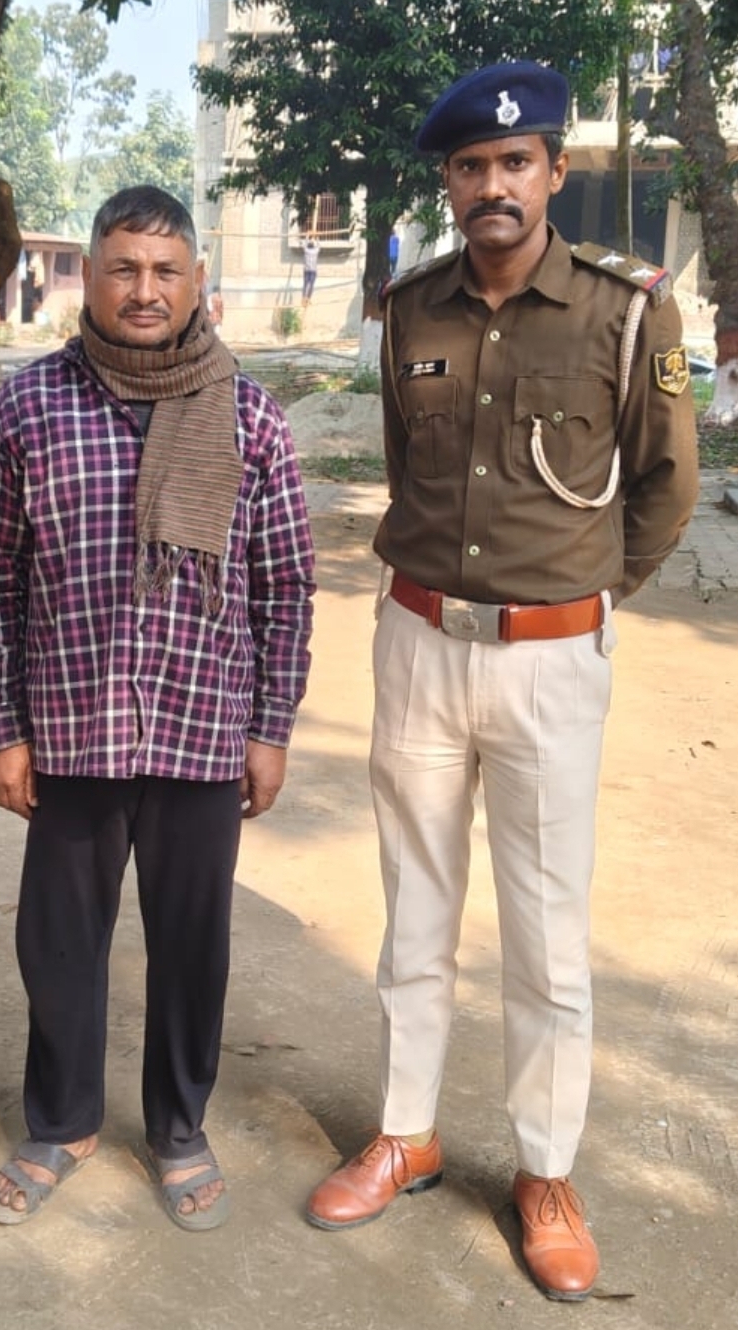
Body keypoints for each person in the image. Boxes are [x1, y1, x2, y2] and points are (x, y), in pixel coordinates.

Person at [305, 62, 698, 1300]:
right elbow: (402, 464)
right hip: (418, 641)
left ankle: (543, 1170)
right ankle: (405, 1130)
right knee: (413, 907)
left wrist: (577, 597)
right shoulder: (408, 309)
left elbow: (664, 488)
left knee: (544, 932)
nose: (491, 183)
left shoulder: (624, 313)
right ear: (448, 181)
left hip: (549, 661)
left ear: (552, 173)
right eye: (469, 166)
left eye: (513, 162)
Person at [0, 185, 315, 1231]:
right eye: (123, 268)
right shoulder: (29, 408)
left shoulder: (249, 416)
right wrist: (4, 728)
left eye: (165, 271)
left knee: (192, 944)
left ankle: (177, 1128)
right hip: (71, 728)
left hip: (204, 728)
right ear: (93, 275)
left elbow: (285, 586)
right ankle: (63, 1120)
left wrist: (270, 727)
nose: (144, 290)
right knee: (59, 941)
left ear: (197, 280)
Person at [301, 232, 320, 305]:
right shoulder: (315, 251)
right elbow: (318, 246)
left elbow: (304, 245)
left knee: (305, 284)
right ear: (313, 246)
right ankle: (308, 298)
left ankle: (304, 298)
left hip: (306, 270)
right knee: (311, 285)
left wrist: (307, 236)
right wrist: (317, 238)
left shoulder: (306, 250)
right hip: (313, 271)